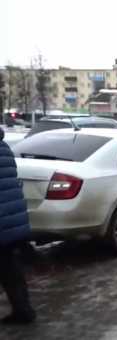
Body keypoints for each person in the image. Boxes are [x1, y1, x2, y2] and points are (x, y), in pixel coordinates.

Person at [0, 127, 36, 325]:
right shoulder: (4, 147)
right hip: (11, 218)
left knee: (8, 268)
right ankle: (24, 311)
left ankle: (23, 311)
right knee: (10, 269)